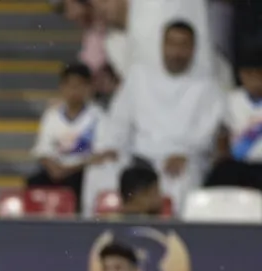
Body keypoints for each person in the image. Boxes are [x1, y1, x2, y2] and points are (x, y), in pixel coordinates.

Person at [86, 20, 224, 214]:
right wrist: (110, 146)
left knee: (180, 180)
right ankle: (94, 230)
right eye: (171, 43)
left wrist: (186, 154)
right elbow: (119, 120)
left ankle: (174, 233)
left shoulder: (207, 85)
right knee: (99, 171)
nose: (176, 51)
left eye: (183, 45)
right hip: (136, 156)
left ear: (193, 49)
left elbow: (206, 134)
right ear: (162, 45)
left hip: (179, 158)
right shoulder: (138, 76)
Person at [27, 63, 103, 211]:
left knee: (82, 183)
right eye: (70, 86)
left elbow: (98, 155)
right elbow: (42, 150)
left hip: (81, 172)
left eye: (79, 86)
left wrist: (67, 170)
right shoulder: (51, 115)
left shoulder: (98, 117)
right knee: (34, 182)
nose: (74, 91)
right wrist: (55, 170)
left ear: (89, 88)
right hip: (55, 170)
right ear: (62, 87)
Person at [206, 47, 262, 191]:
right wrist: (222, 154)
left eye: (259, 74)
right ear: (241, 75)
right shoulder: (232, 99)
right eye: (249, 74)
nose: (255, 80)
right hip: (238, 165)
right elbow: (223, 131)